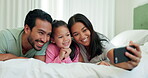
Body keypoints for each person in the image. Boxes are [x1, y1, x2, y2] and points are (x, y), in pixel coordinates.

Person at [67, 13, 142, 70]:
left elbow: (115, 57)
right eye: (76, 34)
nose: (82, 36)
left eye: (84, 30)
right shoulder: (73, 43)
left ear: (90, 28)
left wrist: (130, 64)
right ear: (72, 36)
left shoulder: (102, 43)